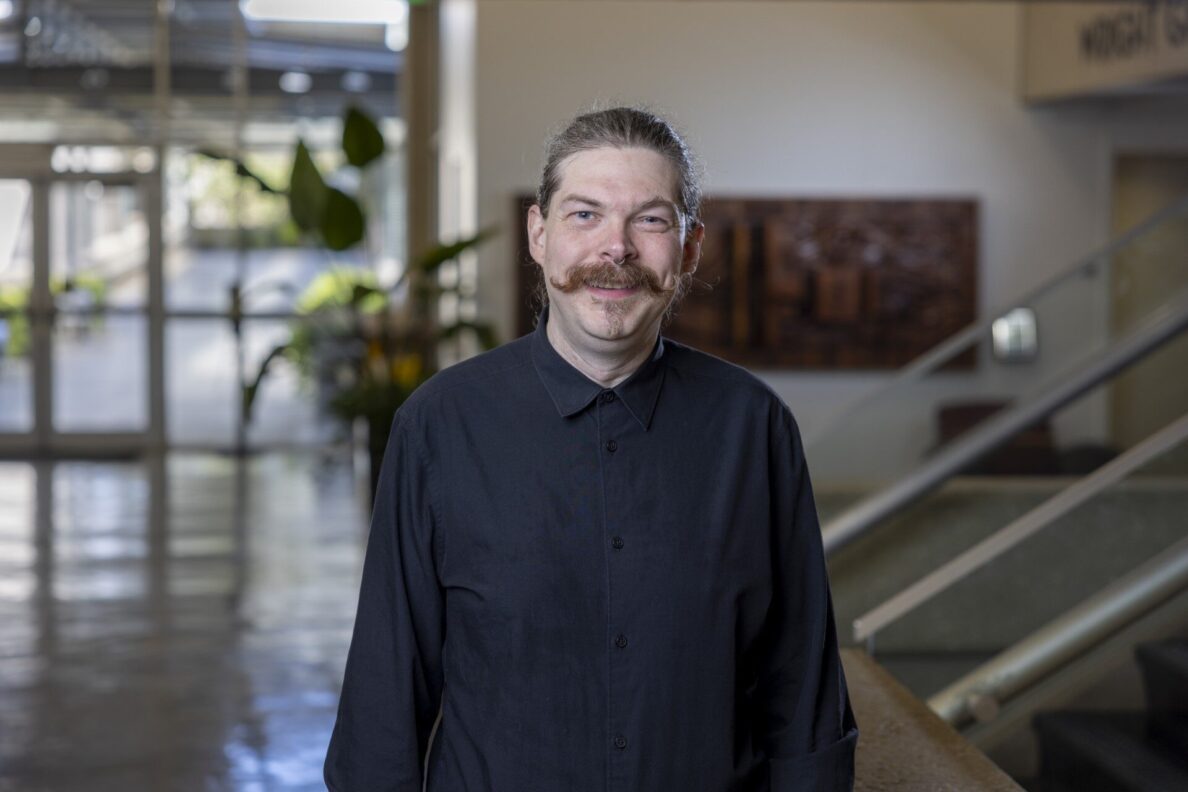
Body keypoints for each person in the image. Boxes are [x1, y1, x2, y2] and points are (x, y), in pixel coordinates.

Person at [325, 107, 858, 791]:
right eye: (585, 215)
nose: (617, 248)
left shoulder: (754, 427)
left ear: (689, 249)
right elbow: (385, 692)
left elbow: (803, 685)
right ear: (539, 234)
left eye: (651, 219)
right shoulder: (438, 424)